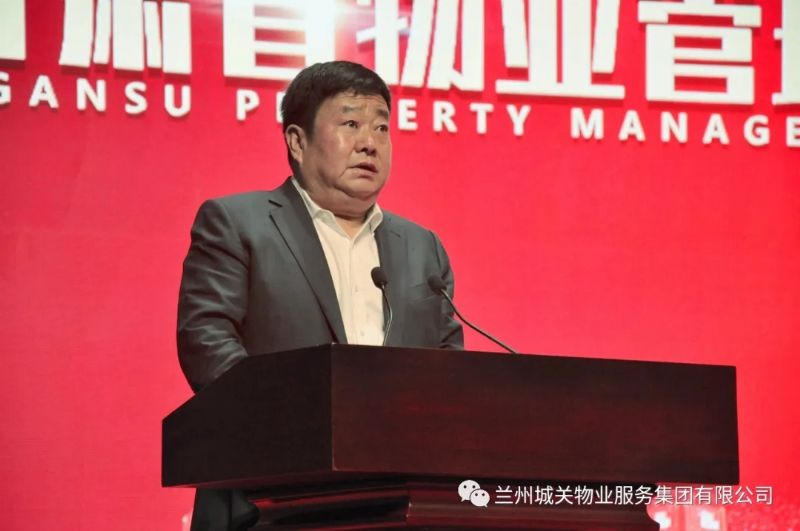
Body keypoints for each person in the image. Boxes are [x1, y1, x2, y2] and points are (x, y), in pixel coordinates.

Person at [177, 61, 464, 530]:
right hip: (268, 499)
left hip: (395, 504)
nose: (369, 142)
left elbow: (448, 368)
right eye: (350, 124)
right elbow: (206, 343)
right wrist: (303, 426)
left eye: (381, 127)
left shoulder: (421, 246)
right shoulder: (238, 224)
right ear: (297, 140)